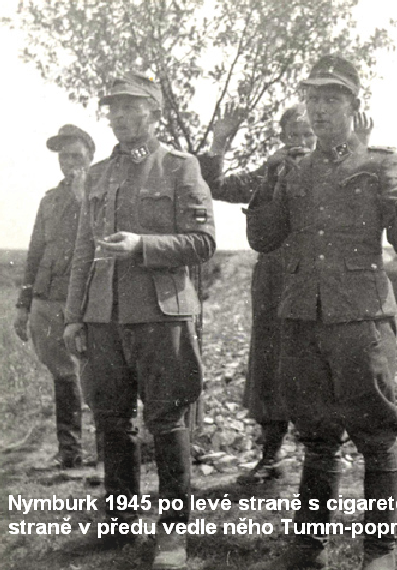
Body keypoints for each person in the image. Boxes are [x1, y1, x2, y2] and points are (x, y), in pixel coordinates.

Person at [245, 55, 397, 570]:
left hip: (361, 319)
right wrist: (268, 184)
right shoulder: (293, 169)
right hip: (303, 318)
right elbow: (263, 238)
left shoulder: (380, 164)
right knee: (317, 436)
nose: (320, 109)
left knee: (376, 435)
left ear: (353, 106)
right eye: (313, 99)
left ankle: (380, 552)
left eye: (331, 99)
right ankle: (309, 547)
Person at [63, 71, 216, 569]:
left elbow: (203, 242)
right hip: (103, 317)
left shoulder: (179, 167)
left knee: (166, 421)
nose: (121, 117)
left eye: (132, 107)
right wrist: (74, 317)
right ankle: (120, 524)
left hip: (160, 315)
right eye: (114, 108)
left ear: (154, 113)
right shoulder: (97, 174)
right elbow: (83, 250)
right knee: (111, 420)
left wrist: (142, 246)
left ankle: (173, 533)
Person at [199, 106, 374, 485]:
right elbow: (216, 186)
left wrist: (360, 146)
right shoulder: (273, 170)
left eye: (308, 135)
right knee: (270, 362)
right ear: (281, 139)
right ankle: (271, 453)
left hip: (323, 282)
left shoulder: (338, 168)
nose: (301, 143)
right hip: (276, 281)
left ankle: (327, 453)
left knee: (325, 361)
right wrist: (219, 142)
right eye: (293, 135)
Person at [14, 124, 96, 472]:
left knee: (98, 373)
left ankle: (108, 450)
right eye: (64, 157)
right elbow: (35, 252)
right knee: (62, 373)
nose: (69, 163)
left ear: (90, 157)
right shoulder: (49, 199)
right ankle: (70, 449)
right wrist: (23, 305)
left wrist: (82, 197)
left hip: (85, 298)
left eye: (76, 156)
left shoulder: (100, 193)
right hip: (46, 298)